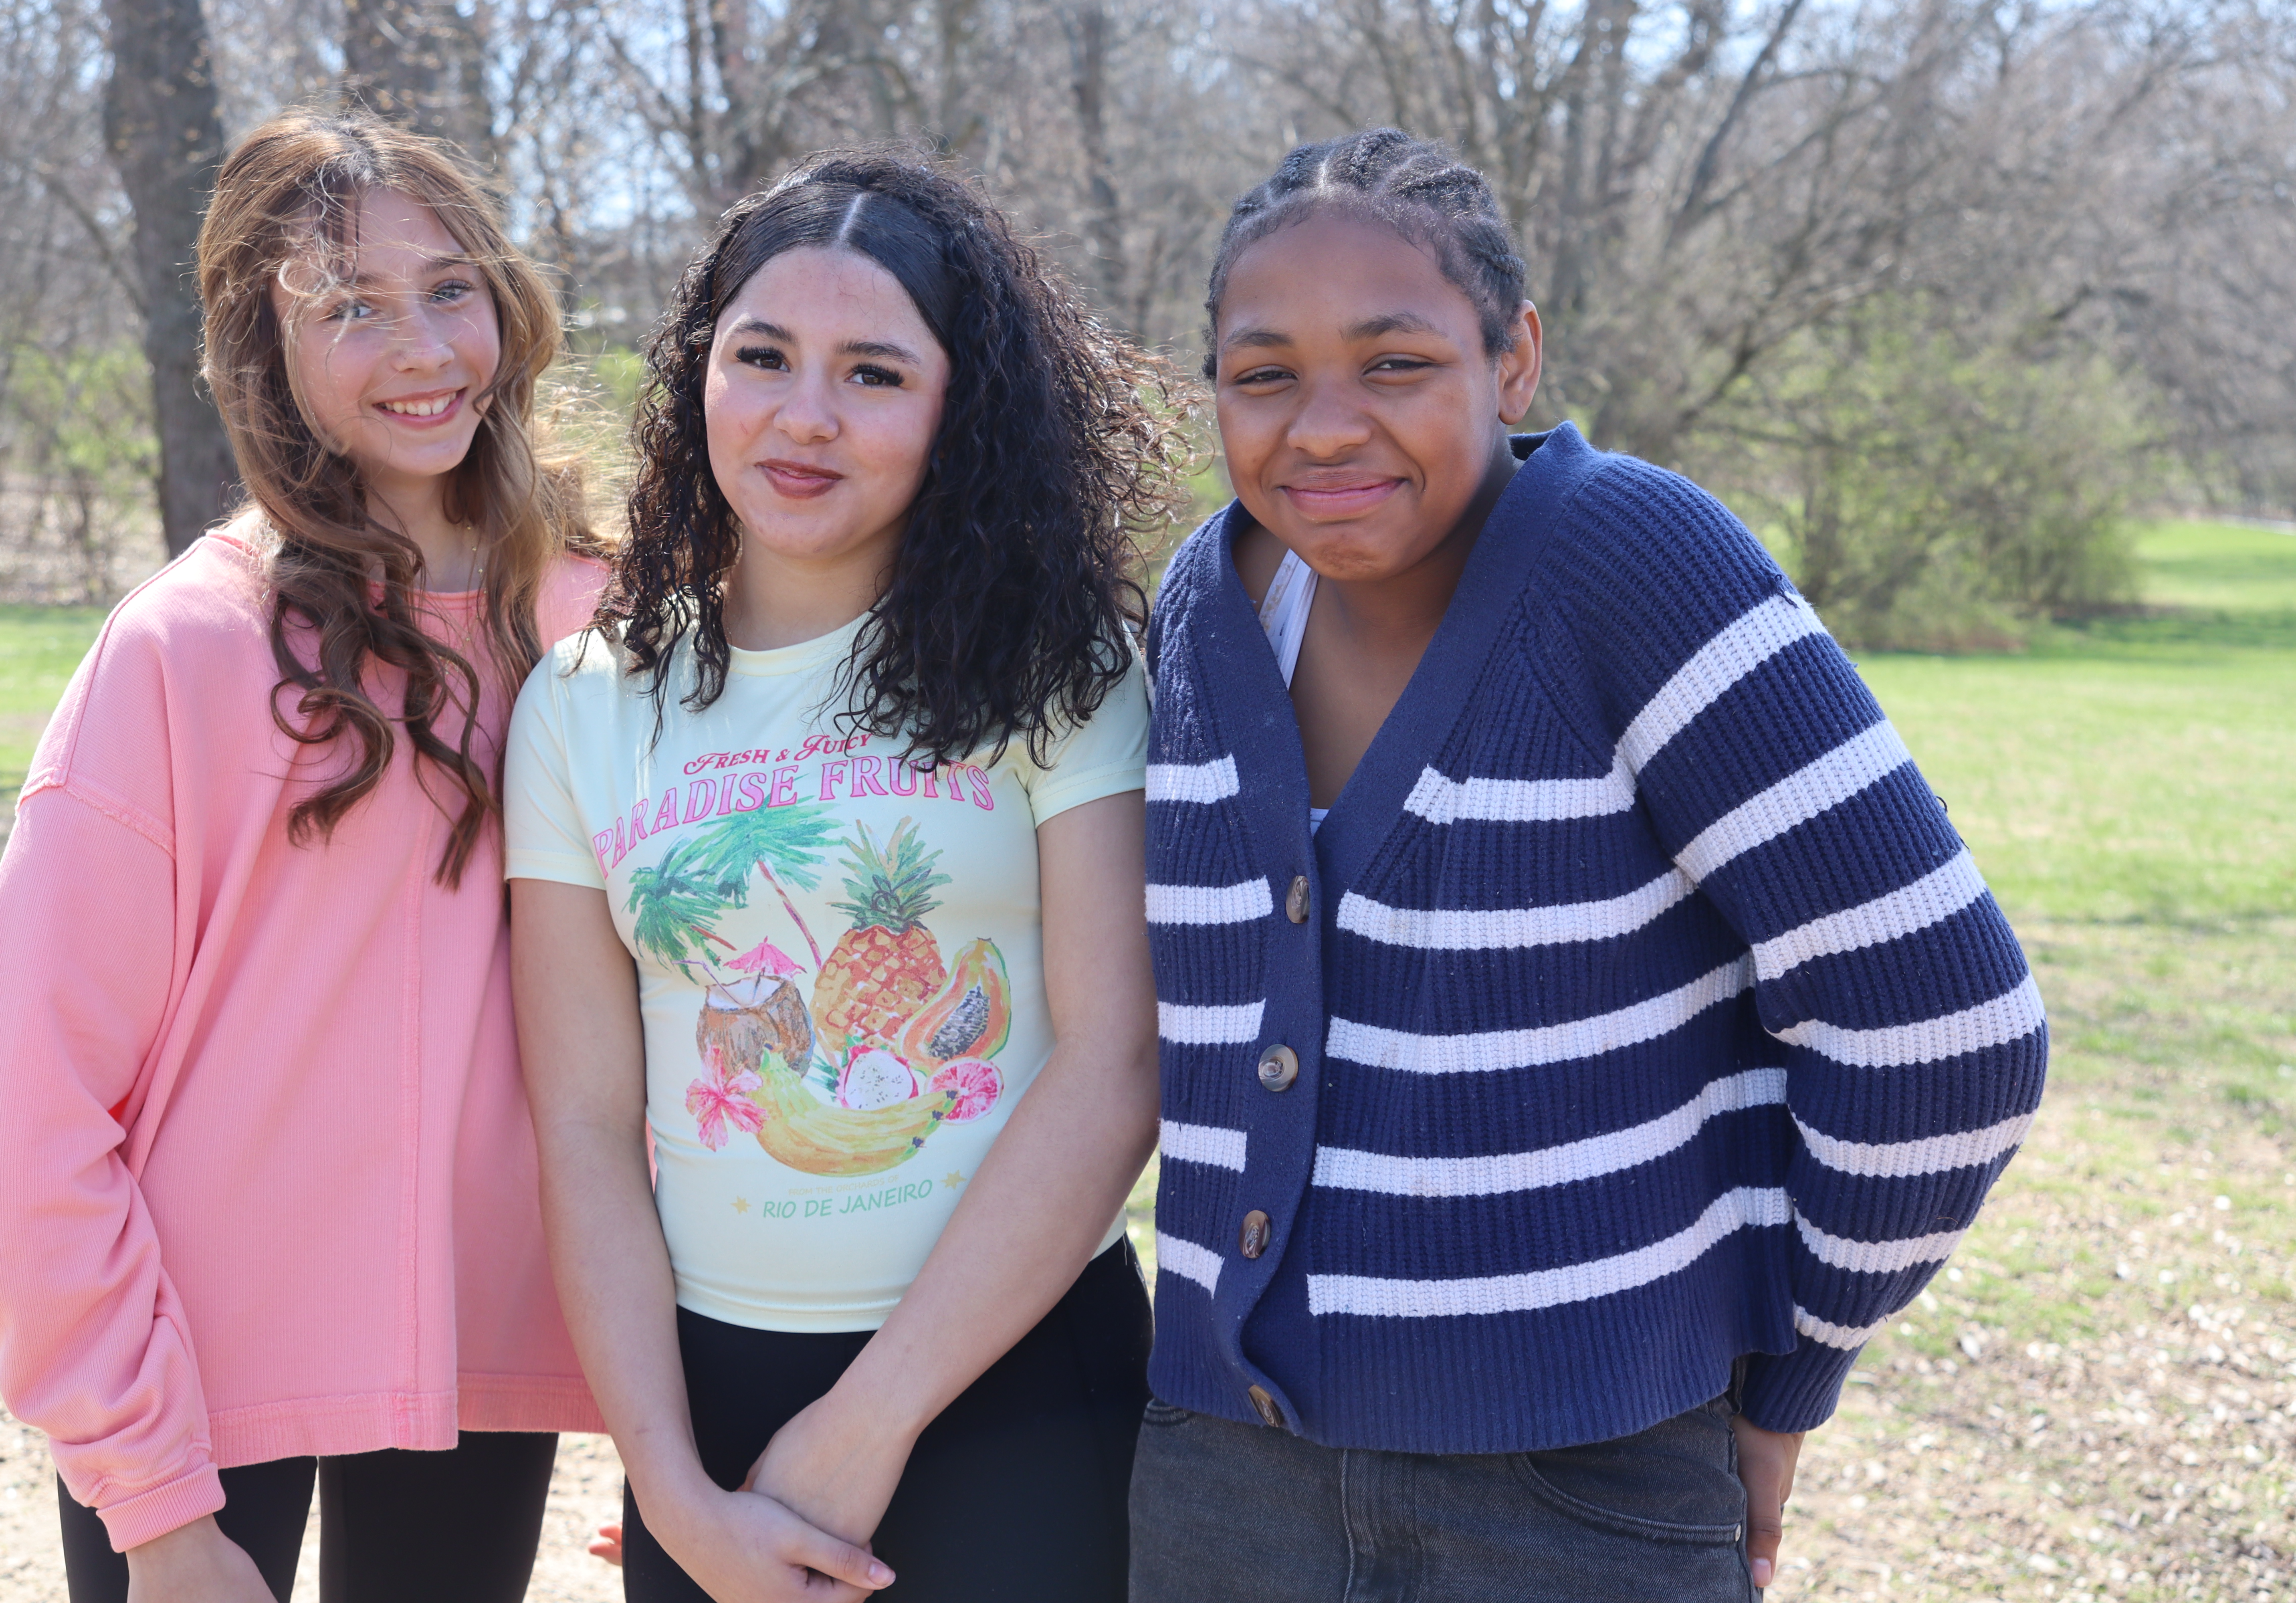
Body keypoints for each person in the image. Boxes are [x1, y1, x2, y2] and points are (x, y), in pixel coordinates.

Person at [1130, 127, 2049, 1602]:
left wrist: (1789, 1368)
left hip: (1575, 1498)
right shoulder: (1197, 611)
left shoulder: (1635, 566)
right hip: (1220, 1482)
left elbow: (1945, 1032)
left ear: (1514, 361)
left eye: (1396, 363)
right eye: (1265, 374)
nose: (1323, 426)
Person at [0, 107, 610, 1603]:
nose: (421, 346)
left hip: (485, 1361)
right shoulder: (188, 648)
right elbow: (8, 1102)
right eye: (349, 307)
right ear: (262, 355)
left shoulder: (604, 627)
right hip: (187, 1387)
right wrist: (155, 1511)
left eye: (450, 287)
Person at [505, 148, 1188, 1603]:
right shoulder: (584, 698)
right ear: (701, 375)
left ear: (963, 409)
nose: (803, 416)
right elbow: (579, 1119)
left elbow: (1117, 1059)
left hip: (1022, 1390)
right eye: (762, 357)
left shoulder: (1058, 667)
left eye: (874, 374)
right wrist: (671, 1483)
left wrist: (870, 1422)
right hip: (709, 1419)